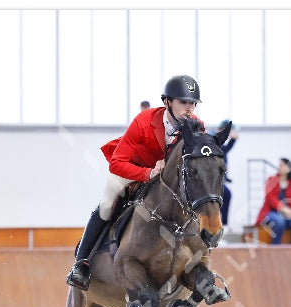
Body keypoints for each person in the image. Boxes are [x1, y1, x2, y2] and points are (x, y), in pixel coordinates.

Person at [67, 75, 205, 290]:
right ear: (167, 102)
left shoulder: (197, 127)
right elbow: (117, 164)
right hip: (132, 170)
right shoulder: (143, 122)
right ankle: (81, 264)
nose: (189, 108)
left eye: (192, 103)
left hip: (165, 182)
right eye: (183, 102)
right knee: (107, 205)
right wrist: (148, 173)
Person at [254, 158, 291, 244]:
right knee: (279, 221)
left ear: (289, 168)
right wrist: (284, 209)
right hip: (271, 212)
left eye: (282, 165)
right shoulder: (271, 180)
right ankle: (276, 249)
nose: (279, 167)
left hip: (288, 213)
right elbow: (270, 198)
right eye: (279, 165)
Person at [213, 119, 238, 232]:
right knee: (226, 194)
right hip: (212, 181)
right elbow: (223, 151)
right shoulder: (214, 140)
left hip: (220, 180)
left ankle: (224, 224)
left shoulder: (219, 141)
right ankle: (223, 224)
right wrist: (233, 140)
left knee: (226, 195)